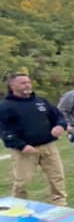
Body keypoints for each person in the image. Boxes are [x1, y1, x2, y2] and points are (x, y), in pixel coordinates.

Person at [0, 73, 68, 205]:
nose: (27, 85)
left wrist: (60, 125)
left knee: (57, 177)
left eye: (28, 82)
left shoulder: (40, 101)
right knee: (22, 182)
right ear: (12, 85)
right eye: (23, 83)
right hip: (24, 150)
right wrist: (21, 145)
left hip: (48, 146)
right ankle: (18, 206)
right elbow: (4, 131)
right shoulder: (6, 107)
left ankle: (60, 204)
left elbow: (58, 116)